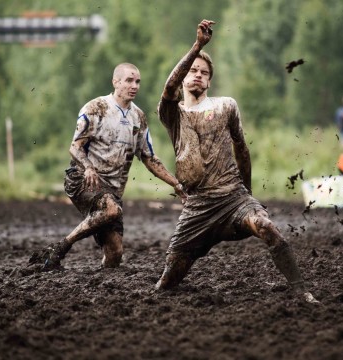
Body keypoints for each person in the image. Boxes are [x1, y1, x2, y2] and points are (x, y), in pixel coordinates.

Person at [154, 20, 317, 303]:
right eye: (192, 71)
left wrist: (248, 194)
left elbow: (241, 148)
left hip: (234, 200)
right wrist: (197, 47)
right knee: (168, 281)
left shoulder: (225, 106)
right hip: (198, 210)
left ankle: (301, 291)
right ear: (184, 75)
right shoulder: (173, 113)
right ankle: (167, 280)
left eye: (204, 73)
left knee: (267, 227)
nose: (197, 75)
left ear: (210, 81)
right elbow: (169, 87)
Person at [29, 63, 185, 270]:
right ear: (115, 82)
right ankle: (61, 247)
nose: (134, 85)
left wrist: (176, 183)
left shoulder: (138, 117)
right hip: (82, 179)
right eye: (129, 80)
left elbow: (149, 158)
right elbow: (75, 148)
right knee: (111, 209)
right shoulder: (96, 108)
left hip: (112, 191)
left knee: (115, 255)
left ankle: (97, 288)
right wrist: (88, 167)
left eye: (137, 81)